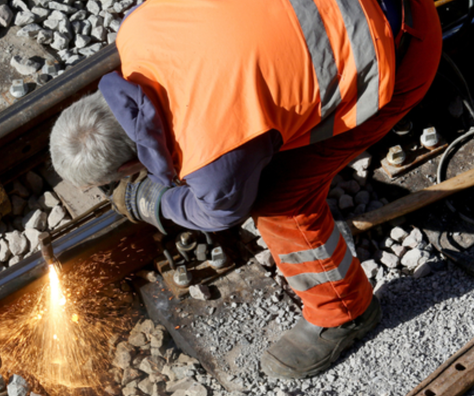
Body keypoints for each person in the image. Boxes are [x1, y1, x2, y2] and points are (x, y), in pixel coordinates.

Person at [49, 0, 442, 379]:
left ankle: (345, 313)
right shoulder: (137, 29)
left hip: (406, 46)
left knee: (280, 201)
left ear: (124, 168)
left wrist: (157, 200)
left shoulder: (209, 154)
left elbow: (222, 210)